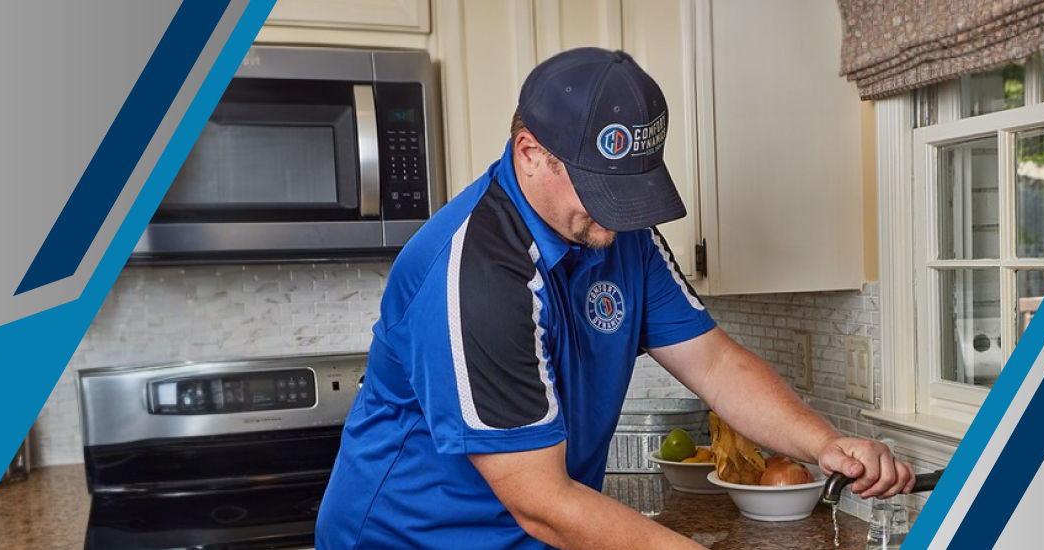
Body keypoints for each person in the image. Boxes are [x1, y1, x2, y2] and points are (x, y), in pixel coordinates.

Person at [315, 47, 915, 549]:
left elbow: (715, 363)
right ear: (529, 153)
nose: (621, 215)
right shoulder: (477, 275)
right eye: (603, 189)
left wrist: (824, 442)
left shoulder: (617, 232)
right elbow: (543, 504)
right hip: (411, 540)